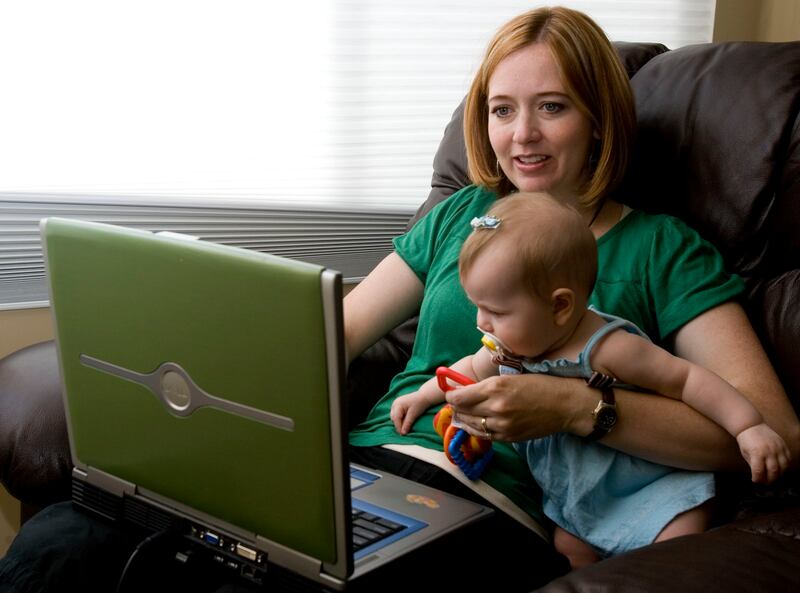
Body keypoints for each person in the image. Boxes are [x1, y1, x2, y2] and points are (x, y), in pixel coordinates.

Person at [2, 6, 798, 593]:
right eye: (501, 109)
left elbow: (767, 430)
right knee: (63, 541)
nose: (521, 135)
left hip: (493, 507)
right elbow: (333, 335)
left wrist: (572, 407)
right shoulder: (463, 215)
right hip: (356, 473)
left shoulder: (662, 248)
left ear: (600, 120)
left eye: (552, 107)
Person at [389, 192, 792, 566]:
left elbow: (686, 380)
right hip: (576, 496)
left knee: (671, 551)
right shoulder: (509, 346)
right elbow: (469, 369)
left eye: (496, 311)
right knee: (570, 551)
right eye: (477, 306)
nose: (482, 322)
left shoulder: (608, 349)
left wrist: (748, 426)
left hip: (650, 488)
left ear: (560, 306)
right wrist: (422, 395)